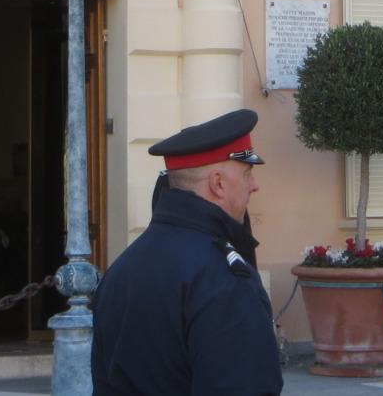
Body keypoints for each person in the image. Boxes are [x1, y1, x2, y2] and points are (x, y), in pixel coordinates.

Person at [91, 109, 282, 395]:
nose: (255, 186)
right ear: (218, 184)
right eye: (247, 173)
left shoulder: (123, 268)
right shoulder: (222, 278)